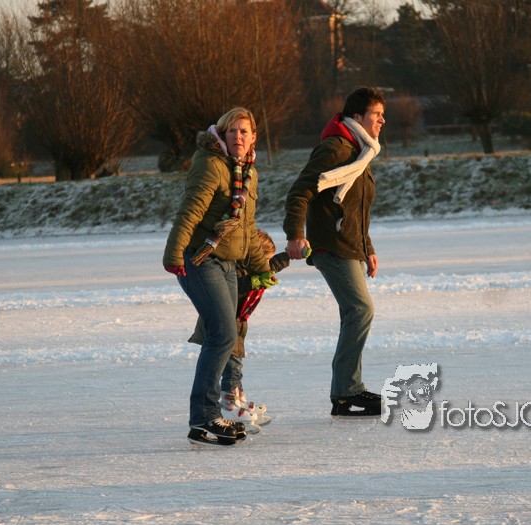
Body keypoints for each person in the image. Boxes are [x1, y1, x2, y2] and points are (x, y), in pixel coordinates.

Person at [163, 107, 277, 447]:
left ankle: (205, 418)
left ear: (253, 138)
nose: (238, 136)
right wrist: (173, 253)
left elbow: (247, 227)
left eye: (244, 132)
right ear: (222, 135)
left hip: (228, 263)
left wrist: (261, 267)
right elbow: (190, 211)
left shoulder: (249, 173)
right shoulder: (211, 164)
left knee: (225, 336)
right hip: (200, 258)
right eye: (232, 131)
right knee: (223, 333)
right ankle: (204, 416)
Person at [282, 86, 386, 418]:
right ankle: (347, 391)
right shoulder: (336, 148)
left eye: (382, 114)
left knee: (354, 313)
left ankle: (345, 391)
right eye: (376, 114)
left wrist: (368, 248)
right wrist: (295, 235)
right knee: (360, 310)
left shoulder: (361, 151)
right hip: (332, 245)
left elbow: (357, 208)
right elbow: (299, 193)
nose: (382, 120)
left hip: (350, 245)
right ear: (357, 117)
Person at [188, 229, 290, 431]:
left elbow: (269, 267)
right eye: (263, 260)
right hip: (223, 326)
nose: (265, 265)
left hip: (237, 325)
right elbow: (236, 286)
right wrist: (254, 282)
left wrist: (289, 256)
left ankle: (238, 399)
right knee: (231, 368)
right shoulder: (233, 270)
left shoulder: (248, 269)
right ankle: (229, 405)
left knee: (236, 367)